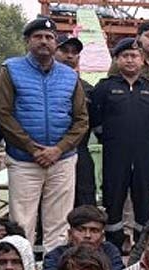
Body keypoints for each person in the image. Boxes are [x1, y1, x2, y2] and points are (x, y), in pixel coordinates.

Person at [0, 16, 91, 252]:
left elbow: (81, 119)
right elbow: (3, 115)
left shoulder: (70, 76)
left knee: (58, 226)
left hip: (62, 160)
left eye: (49, 37)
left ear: (55, 43)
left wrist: (59, 149)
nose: (44, 41)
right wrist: (32, 148)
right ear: (28, 41)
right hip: (24, 160)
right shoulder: (11, 69)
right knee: (22, 224)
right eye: (38, 36)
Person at [91, 38, 149, 251]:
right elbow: (96, 121)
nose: (130, 60)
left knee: (144, 198)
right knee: (113, 198)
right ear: (117, 60)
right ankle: (114, 246)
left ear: (142, 60)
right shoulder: (105, 88)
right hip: (115, 154)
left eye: (134, 56)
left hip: (144, 154)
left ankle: (142, 246)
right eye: (125, 56)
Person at [54, 35, 98, 209]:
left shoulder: (87, 89)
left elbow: (93, 122)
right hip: (50, 154)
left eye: (74, 52)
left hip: (80, 152)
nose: (69, 56)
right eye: (64, 51)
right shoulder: (42, 84)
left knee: (85, 202)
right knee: (53, 207)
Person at [43, 205, 125, 270]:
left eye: (94, 231)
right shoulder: (55, 256)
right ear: (70, 234)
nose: (87, 236)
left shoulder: (110, 252)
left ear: (102, 236)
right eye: (80, 230)